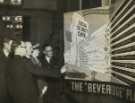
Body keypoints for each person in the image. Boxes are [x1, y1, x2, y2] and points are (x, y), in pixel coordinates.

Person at [0, 38, 13, 103]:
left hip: (10, 90)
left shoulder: (12, 57)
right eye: (11, 45)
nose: (13, 47)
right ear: (5, 44)